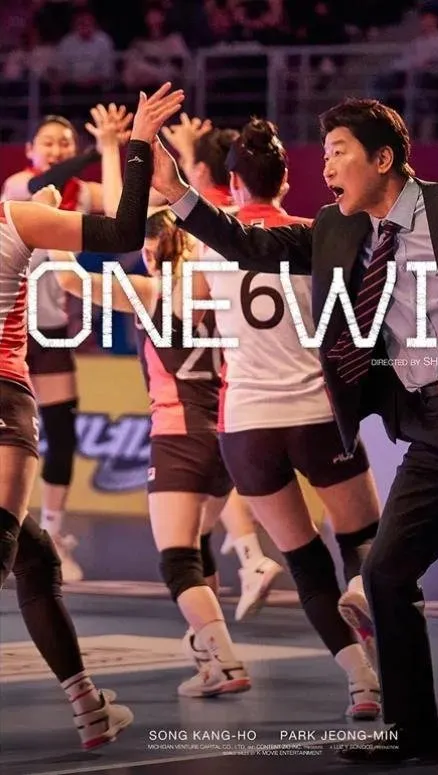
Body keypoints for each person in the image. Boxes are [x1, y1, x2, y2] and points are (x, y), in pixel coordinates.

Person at [150, 97, 438, 765]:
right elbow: (250, 244)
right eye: (325, 152)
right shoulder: (335, 229)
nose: (326, 165)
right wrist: (180, 195)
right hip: (431, 426)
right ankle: (413, 732)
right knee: (385, 574)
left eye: (339, 151)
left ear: (383, 158)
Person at [0, 81, 183, 748]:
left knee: (35, 559)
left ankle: (90, 708)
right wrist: (136, 144)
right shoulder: (15, 217)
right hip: (3, 400)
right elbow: (125, 231)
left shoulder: (23, 212)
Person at [183, 117, 383, 718]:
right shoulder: (315, 236)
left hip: (246, 424)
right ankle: (363, 589)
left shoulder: (208, 244)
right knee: (363, 540)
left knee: (303, 560)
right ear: (287, 180)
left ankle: (361, 683)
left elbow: (193, 314)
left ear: (233, 182)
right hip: (314, 412)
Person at [55, 207, 251, 698]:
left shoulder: (152, 293)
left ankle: (226, 661)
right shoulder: (223, 291)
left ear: (160, 250)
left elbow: (70, 280)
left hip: (179, 435)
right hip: (228, 435)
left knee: (177, 560)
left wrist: (51, 227)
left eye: (147, 248)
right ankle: (210, 653)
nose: (144, 256)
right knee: (198, 545)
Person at [1, 106, 132, 580]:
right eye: (48, 142)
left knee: (61, 432)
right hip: (8, 328)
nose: (56, 149)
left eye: (65, 143)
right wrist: (93, 152)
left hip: (51, 327)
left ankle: (54, 533)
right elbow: (43, 185)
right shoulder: (20, 187)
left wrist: (111, 150)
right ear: (30, 150)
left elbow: (120, 215)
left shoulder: (82, 192)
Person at [162, 114, 284, 613]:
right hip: (244, 357)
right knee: (213, 490)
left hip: (199, 366)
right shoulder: (243, 219)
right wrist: (191, 152)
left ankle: (249, 561)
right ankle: (247, 561)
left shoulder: (201, 220)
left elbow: (124, 211)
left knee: (185, 536)